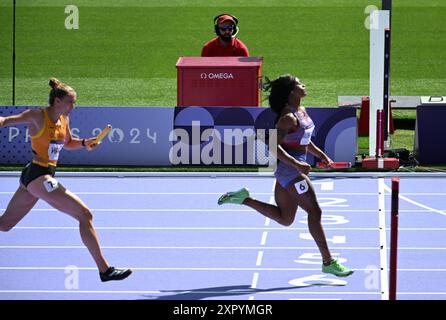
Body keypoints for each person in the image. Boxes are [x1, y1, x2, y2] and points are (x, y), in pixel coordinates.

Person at [218, 74, 354, 277]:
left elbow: (304, 141)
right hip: (289, 171)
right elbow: (272, 146)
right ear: (291, 92)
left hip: (291, 170)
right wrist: (298, 164)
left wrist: (322, 156)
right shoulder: (287, 118)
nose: (304, 84)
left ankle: (243, 199)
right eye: (299, 83)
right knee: (315, 212)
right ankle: (328, 261)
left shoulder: (302, 112)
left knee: (285, 218)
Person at [0, 78, 132, 282]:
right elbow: (7, 121)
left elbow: (68, 143)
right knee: (84, 214)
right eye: (71, 102)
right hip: (37, 175)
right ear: (58, 101)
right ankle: (105, 270)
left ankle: (105, 271)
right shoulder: (37, 116)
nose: (73, 106)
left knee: (5, 224)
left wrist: (86, 143)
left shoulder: (64, 120)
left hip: (38, 178)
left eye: (74, 102)